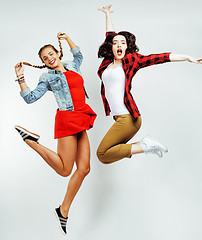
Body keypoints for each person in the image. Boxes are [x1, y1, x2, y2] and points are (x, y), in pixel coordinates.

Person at [96, 5, 202, 164]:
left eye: (122, 43)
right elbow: (110, 34)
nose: (119, 45)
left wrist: (186, 57)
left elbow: (160, 57)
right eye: (115, 43)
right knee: (107, 154)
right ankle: (145, 145)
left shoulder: (132, 60)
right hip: (118, 117)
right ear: (111, 46)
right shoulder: (107, 62)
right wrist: (107, 14)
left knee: (102, 154)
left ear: (127, 46)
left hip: (129, 118)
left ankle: (145, 145)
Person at [14, 32, 96, 235]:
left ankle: (63, 210)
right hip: (67, 120)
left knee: (84, 169)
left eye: (51, 54)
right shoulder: (47, 77)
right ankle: (33, 142)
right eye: (44, 58)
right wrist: (21, 78)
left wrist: (68, 39)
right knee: (65, 170)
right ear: (43, 63)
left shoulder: (71, 66)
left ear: (57, 53)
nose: (49, 58)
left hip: (81, 117)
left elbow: (79, 56)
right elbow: (31, 97)